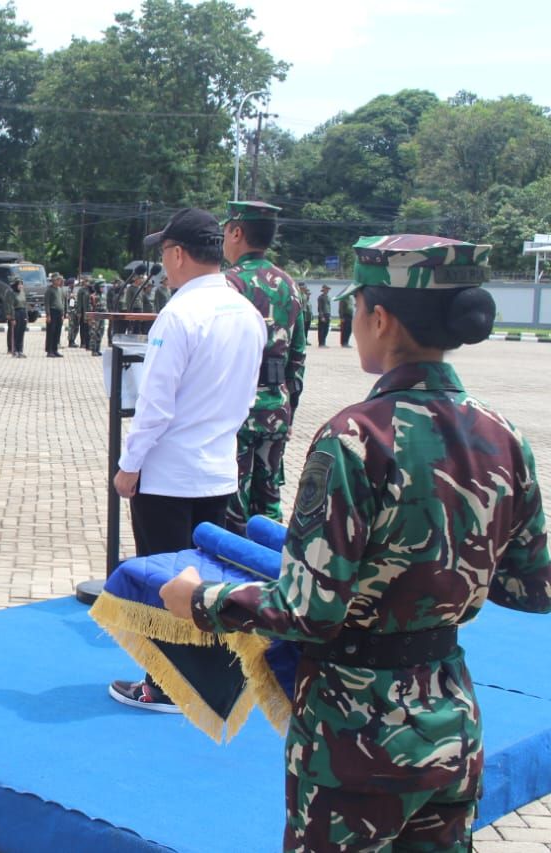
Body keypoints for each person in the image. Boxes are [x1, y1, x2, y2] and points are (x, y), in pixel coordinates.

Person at [157, 234, 550, 851]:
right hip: (450, 720)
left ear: (380, 317)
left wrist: (201, 600)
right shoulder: (504, 436)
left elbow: (307, 613)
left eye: (356, 308)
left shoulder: (356, 439)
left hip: (357, 736)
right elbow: (534, 589)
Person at [108, 208, 266, 711]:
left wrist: (129, 464)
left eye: (164, 254)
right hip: (218, 469)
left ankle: (164, 684)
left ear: (177, 253)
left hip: (168, 474)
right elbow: (247, 398)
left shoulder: (178, 314)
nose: (164, 265)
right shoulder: (245, 311)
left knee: (166, 580)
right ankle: (208, 676)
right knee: (207, 580)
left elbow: (155, 405)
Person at [221, 200, 307, 535]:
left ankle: (234, 576)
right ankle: (273, 571)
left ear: (237, 232)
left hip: (237, 408)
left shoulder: (229, 284)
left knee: (232, 500)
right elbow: (298, 357)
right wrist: (288, 408)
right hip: (276, 405)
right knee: (269, 497)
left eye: (226, 232)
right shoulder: (290, 284)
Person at [45, 273, 65, 357]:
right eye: (57, 279)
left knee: (57, 332)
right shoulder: (49, 290)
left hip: (59, 313)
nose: (59, 281)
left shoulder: (60, 289)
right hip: (52, 312)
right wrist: (48, 315)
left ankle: (55, 349)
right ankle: (49, 350)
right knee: (51, 332)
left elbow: (62, 301)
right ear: (53, 280)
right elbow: (47, 303)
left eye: (59, 279)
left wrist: (62, 314)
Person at [7, 280, 28, 358]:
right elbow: (11, 305)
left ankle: (20, 350)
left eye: (21, 284)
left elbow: (25, 304)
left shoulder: (22, 293)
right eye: (19, 284)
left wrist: (26, 316)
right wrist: (12, 318)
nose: (20, 286)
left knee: (21, 333)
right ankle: (14, 350)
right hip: (16, 312)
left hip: (23, 313)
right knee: (15, 332)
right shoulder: (12, 293)